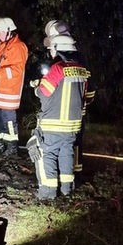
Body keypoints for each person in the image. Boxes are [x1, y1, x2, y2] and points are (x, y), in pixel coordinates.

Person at [27, 34, 90, 200]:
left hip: (52, 125)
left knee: (45, 155)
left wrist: (36, 86)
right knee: (66, 155)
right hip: (72, 127)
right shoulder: (82, 70)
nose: (51, 52)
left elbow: (43, 92)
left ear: (59, 49)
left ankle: (48, 194)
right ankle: (67, 190)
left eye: (52, 48)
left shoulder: (57, 68)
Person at [43, 20, 96, 175]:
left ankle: (74, 172)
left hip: (70, 109)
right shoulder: (75, 56)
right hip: (73, 108)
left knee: (73, 141)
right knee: (71, 141)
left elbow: (89, 86)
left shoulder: (69, 58)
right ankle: (70, 173)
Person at [0, 17, 28, 157]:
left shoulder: (18, 47)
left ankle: (11, 147)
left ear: (9, 31)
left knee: (8, 120)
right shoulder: (1, 46)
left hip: (8, 92)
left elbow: (17, 70)